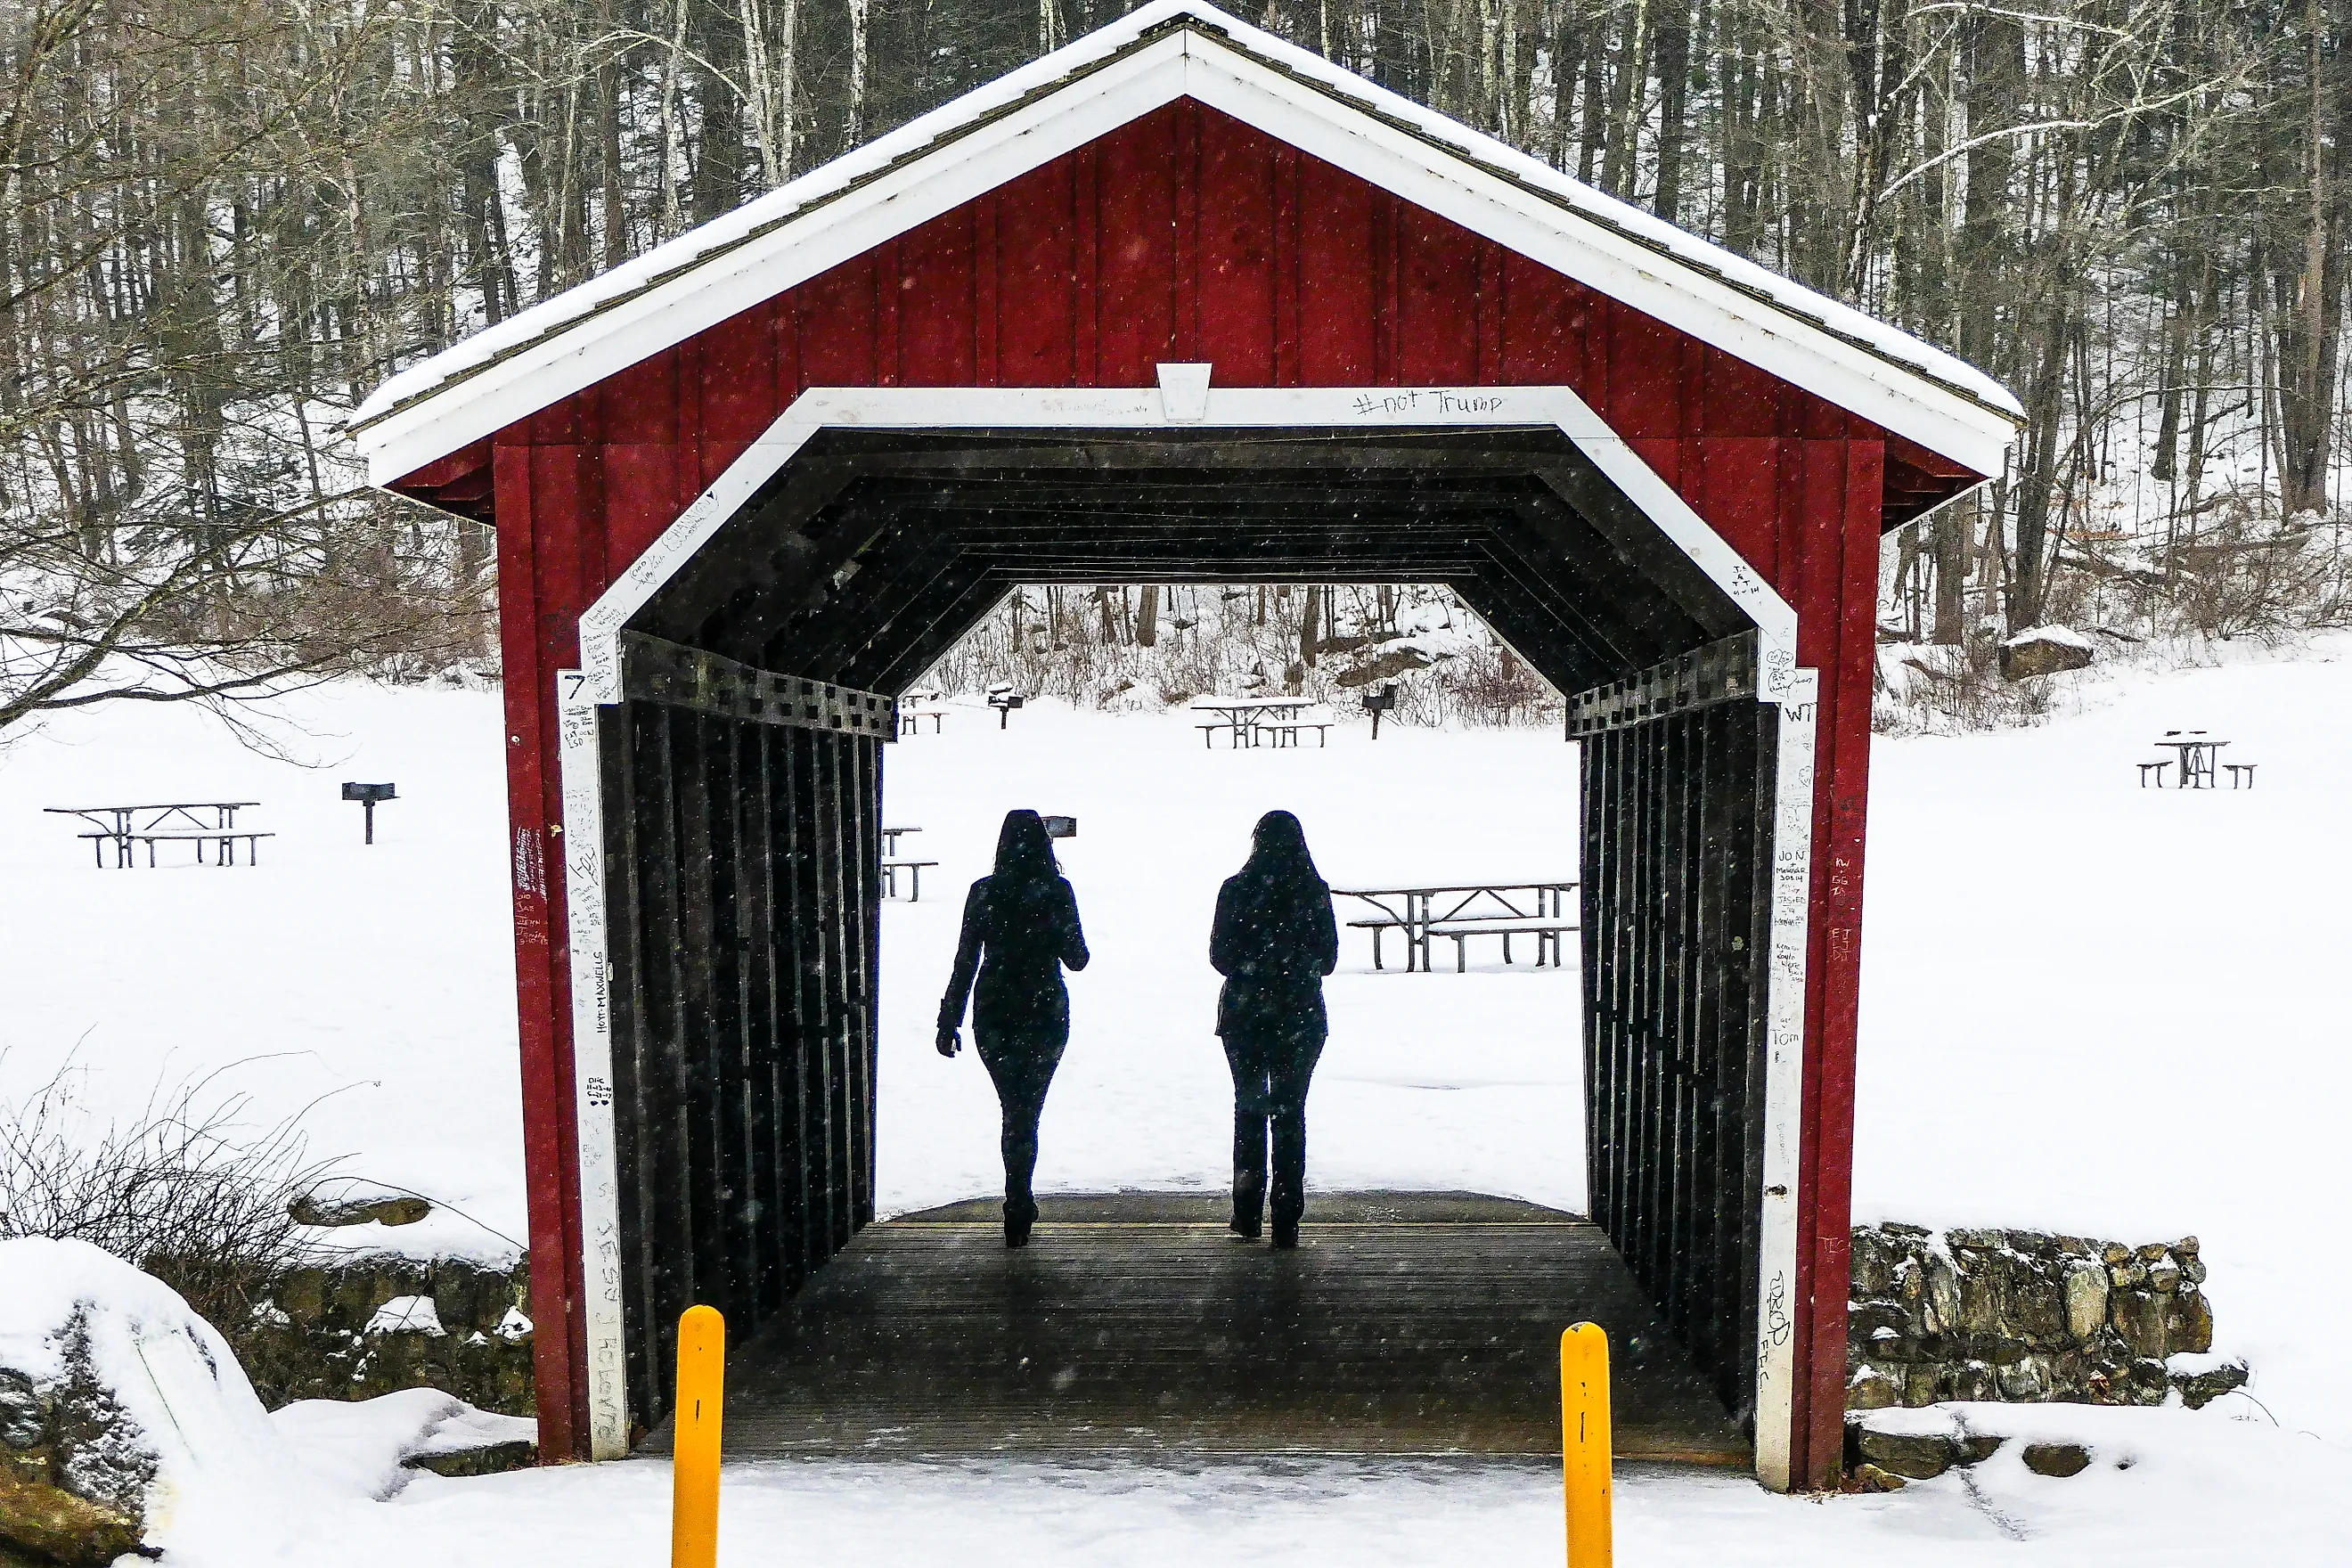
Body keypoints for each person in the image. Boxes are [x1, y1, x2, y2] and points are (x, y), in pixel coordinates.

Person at [937, 809, 1090, 1247]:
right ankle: (1019, 1200)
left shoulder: (983, 893)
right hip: (1043, 1009)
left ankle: (1017, 1200)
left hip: (996, 1009)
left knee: (1013, 1107)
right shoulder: (1057, 891)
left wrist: (949, 1019)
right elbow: (1077, 958)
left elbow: (966, 960)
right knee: (1028, 1109)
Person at [1209, 810, 1338, 1249]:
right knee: (1289, 1113)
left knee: (1249, 1108)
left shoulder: (1236, 890)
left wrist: (1254, 966)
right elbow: (1329, 960)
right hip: (1299, 1015)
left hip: (1245, 1015)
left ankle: (1246, 1212)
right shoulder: (1313, 892)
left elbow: (1219, 958)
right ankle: (1286, 1216)